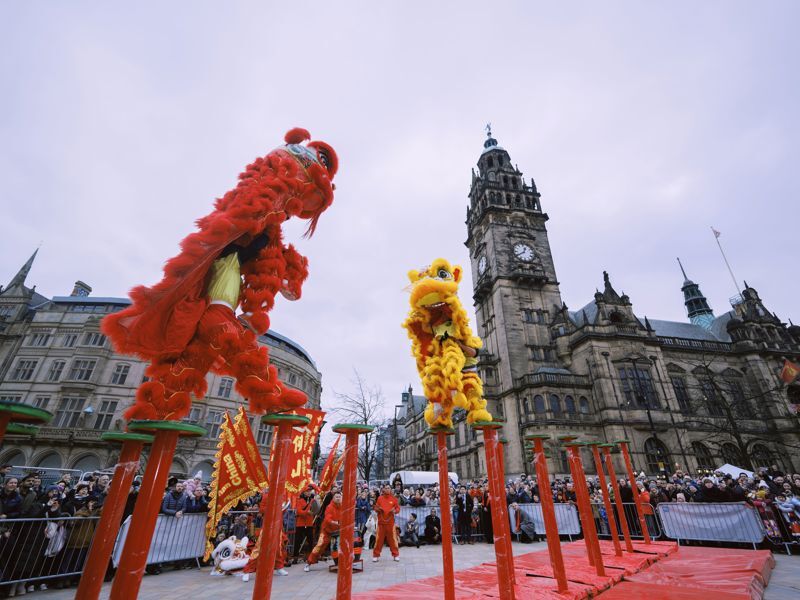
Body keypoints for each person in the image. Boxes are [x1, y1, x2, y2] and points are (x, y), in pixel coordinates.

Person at [304, 491, 342, 571]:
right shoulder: (329, 507)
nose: (338, 498)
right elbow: (328, 519)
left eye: (339, 497)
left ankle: (344, 562)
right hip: (326, 530)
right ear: (333, 498)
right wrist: (335, 522)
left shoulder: (343, 506)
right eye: (336, 497)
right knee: (319, 545)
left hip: (338, 530)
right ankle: (308, 563)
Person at [373, 485, 400, 562]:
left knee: (393, 540)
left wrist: (394, 511)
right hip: (381, 523)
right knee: (378, 540)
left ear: (391, 489)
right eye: (386, 488)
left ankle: (396, 555)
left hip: (390, 524)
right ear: (383, 489)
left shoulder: (394, 499)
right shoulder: (380, 498)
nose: (387, 489)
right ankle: (376, 555)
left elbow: (398, 508)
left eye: (389, 488)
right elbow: (375, 508)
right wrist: (379, 509)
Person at [293, 487, 316, 562]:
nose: (309, 492)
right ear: (303, 492)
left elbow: (315, 509)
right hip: (300, 524)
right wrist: (307, 512)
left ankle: (311, 557)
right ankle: (295, 557)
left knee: (310, 541)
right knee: (298, 541)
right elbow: (299, 512)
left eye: (310, 491)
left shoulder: (312, 500)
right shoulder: (299, 501)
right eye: (307, 491)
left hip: (309, 523)